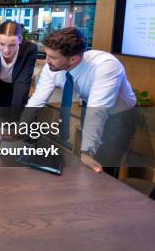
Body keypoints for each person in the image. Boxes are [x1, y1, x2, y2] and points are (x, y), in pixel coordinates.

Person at [25, 27, 137, 174]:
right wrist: (21, 126)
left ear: (74, 59)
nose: (47, 61)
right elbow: (38, 98)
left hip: (119, 116)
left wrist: (87, 152)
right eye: (47, 55)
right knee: (85, 164)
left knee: (103, 165)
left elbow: (97, 110)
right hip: (89, 107)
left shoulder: (106, 66)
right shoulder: (52, 66)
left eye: (52, 57)